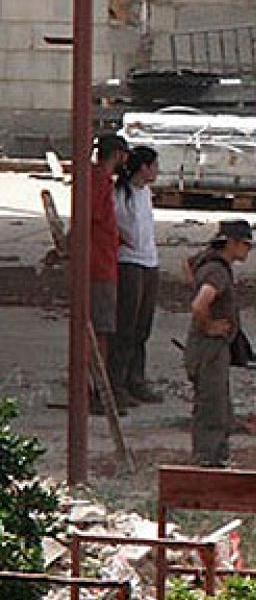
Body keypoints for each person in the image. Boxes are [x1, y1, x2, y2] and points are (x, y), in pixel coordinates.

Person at [185, 220, 254, 467]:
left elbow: (188, 265)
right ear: (232, 243)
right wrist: (209, 325)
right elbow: (199, 304)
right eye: (246, 244)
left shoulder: (207, 260)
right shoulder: (218, 272)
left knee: (218, 403)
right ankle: (207, 460)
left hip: (206, 349)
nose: (248, 250)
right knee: (212, 406)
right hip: (209, 348)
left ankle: (217, 457)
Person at [109, 146, 162, 405]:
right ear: (144, 168)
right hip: (129, 262)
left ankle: (136, 379)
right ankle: (116, 383)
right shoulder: (120, 193)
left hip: (149, 261)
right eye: (154, 166)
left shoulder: (145, 193)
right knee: (126, 327)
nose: (157, 171)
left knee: (142, 326)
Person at [89, 133, 130, 414]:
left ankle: (96, 389)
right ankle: (96, 392)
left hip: (104, 260)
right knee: (99, 333)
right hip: (98, 266)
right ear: (117, 154)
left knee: (100, 331)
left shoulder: (100, 182)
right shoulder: (98, 183)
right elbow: (88, 216)